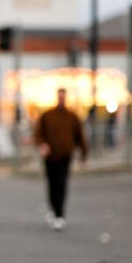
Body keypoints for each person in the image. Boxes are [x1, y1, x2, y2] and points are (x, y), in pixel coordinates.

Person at [33, 88, 88, 231]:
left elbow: (80, 136)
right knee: (52, 184)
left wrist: (84, 154)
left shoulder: (71, 117)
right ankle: (54, 209)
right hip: (51, 156)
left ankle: (60, 214)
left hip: (65, 155)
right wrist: (42, 145)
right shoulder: (47, 115)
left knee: (62, 183)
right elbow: (38, 134)